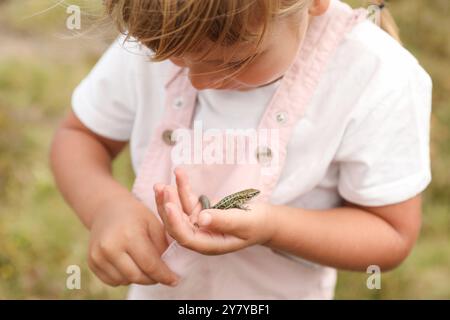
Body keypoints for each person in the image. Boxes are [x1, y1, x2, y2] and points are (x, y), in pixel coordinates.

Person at [50, 0, 433, 299]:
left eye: (233, 62)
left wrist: (273, 228)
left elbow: (391, 233)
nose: (199, 82)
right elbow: (79, 137)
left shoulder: (377, 76)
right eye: (173, 59)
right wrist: (105, 207)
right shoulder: (170, 29)